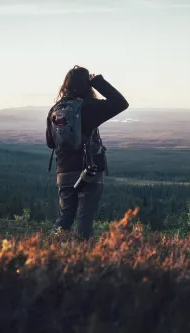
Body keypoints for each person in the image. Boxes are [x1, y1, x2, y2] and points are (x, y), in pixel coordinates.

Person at [49, 65, 129, 239]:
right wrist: (98, 81)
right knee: (84, 220)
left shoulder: (56, 109)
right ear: (87, 86)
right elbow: (121, 103)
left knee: (65, 216)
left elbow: (50, 142)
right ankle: (84, 260)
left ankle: (48, 251)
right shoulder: (89, 107)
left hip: (64, 171)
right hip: (90, 171)